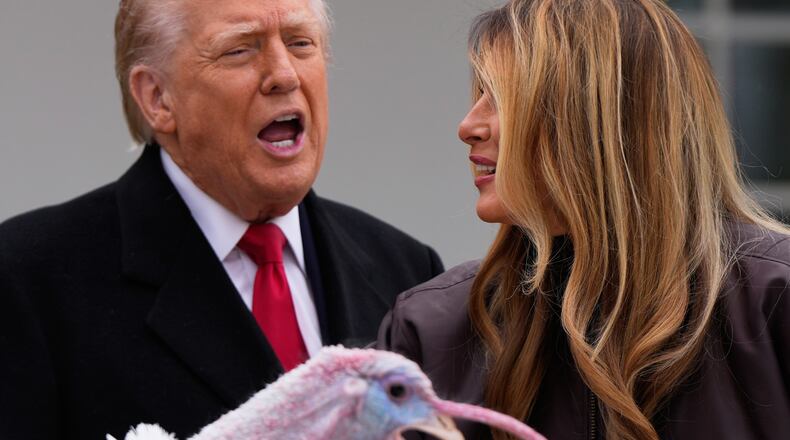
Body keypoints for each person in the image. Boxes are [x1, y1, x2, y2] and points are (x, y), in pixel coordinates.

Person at [0, 0, 444, 438]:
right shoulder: (27, 279)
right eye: (239, 49)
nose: (285, 74)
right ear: (157, 98)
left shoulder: (408, 272)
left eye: (300, 43)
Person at [378, 0, 790, 439]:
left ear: (602, 119)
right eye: (479, 94)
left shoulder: (775, 298)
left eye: (503, 98)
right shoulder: (431, 328)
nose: (468, 126)